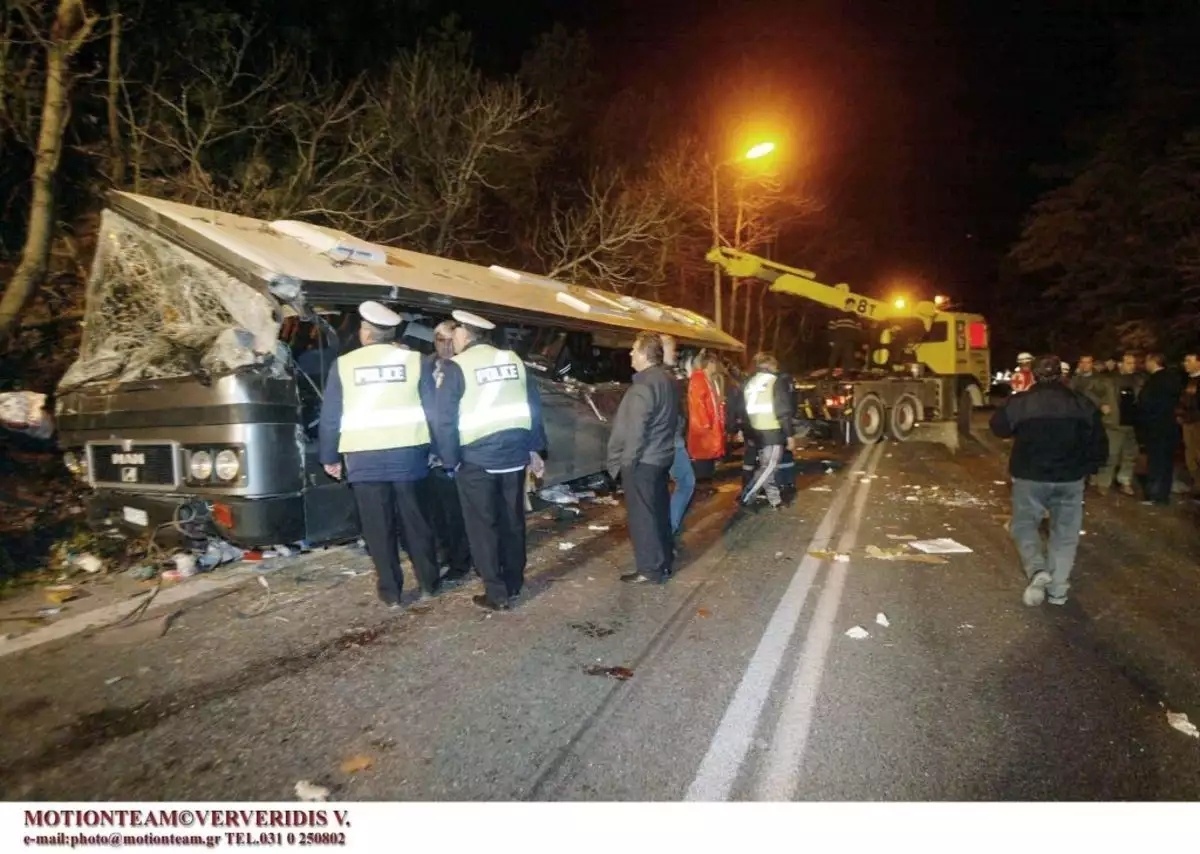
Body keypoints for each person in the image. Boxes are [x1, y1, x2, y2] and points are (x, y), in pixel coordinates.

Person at [318, 301, 442, 608]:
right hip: (408, 457)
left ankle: (391, 593)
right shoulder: (417, 361)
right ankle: (428, 583)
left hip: (363, 460)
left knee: (377, 528)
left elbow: (331, 416)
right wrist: (438, 450)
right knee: (416, 522)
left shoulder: (344, 365)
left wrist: (329, 457)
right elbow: (434, 412)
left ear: (365, 333)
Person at [433, 310, 547, 611]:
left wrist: (450, 460)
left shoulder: (456, 366)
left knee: (482, 526)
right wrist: (534, 449)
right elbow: (533, 406)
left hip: (477, 459)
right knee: (512, 521)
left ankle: (496, 593)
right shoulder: (513, 360)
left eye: (456, 332)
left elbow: (444, 420)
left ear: (466, 335)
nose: (453, 338)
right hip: (513, 455)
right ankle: (514, 581)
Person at [989, 354, 1107, 608]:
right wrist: (1088, 469)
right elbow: (1099, 443)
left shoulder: (1021, 402)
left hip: (1030, 477)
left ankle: (1037, 569)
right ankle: (1058, 590)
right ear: (1062, 375)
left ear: (1034, 374)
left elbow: (998, 428)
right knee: (1065, 534)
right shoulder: (1081, 403)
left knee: (1023, 525)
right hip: (1070, 478)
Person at [606, 331, 679, 585]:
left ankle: (650, 569)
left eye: (634, 350)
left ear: (645, 355)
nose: (630, 354)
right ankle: (664, 561)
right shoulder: (667, 380)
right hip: (661, 458)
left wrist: (626, 463)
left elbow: (636, 431)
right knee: (658, 512)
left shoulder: (644, 386)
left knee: (642, 518)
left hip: (643, 462)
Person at [425, 320, 472, 582]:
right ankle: (446, 555)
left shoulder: (464, 367)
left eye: (448, 340)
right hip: (429, 454)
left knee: (459, 513)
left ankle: (461, 561)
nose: (444, 346)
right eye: (439, 340)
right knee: (438, 513)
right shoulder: (424, 366)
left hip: (459, 452)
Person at [740, 351, 795, 511]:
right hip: (772, 429)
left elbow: (741, 408)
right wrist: (790, 435)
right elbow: (783, 410)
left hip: (756, 429)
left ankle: (774, 500)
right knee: (769, 467)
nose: (777, 369)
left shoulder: (750, 382)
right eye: (775, 366)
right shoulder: (775, 382)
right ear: (770, 365)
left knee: (767, 466)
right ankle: (747, 495)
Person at [660, 334, 696, 542]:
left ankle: (667, 525)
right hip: (671, 439)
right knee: (686, 482)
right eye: (671, 349)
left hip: (671, 437)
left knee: (672, 483)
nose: (675, 354)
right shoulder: (665, 377)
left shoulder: (665, 375)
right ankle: (669, 527)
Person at [1136, 352, 1182, 506]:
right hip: (1169, 426)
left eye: (1147, 361)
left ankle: (1155, 495)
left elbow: (1146, 402)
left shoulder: (1156, 380)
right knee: (1166, 462)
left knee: (1156, 462)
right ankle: (1163, 494)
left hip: (1156, 427)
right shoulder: (1173, 379)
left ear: (1153, 362)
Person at [1070, 353, 1120, 493]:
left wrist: (1103, 406)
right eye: (1083, 362)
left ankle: (1092, 474)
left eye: (1088, 362)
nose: (1085, 365)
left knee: (1094, 445)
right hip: (1078, 417)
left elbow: (1106, 397)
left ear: (1092, 364)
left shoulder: (1101, 379)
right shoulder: (1075, 379)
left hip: (1093, 416)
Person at [1109, 352, 1145, 496]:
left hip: (1134, 423)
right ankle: (1104, 481)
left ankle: (1125, 481)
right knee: (1112, 453)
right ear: (1120, 364)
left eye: (1133, 363)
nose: (1132, 366)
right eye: (1129, 363)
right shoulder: (1111, 380)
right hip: (1116, 422)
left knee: (1130, 455)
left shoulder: (1139, 380)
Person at [686, 350, 727, 477]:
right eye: (714, 363)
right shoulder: (698, 378)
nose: (716, 366)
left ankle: (707, 479)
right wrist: (704, 423)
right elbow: (697, 402)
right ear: (709, 363)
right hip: (704, 428)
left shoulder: (710, 379)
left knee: (709, 456)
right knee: (703, 456)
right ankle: (702, 482)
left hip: (711, 426)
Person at [1180, 350, 1200, 500]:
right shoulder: (1187, 380)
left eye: (1189, 361)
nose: (1185, 364)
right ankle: (1197, 486)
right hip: (1188, 421)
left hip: (1197, 422)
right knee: (1190, 455)